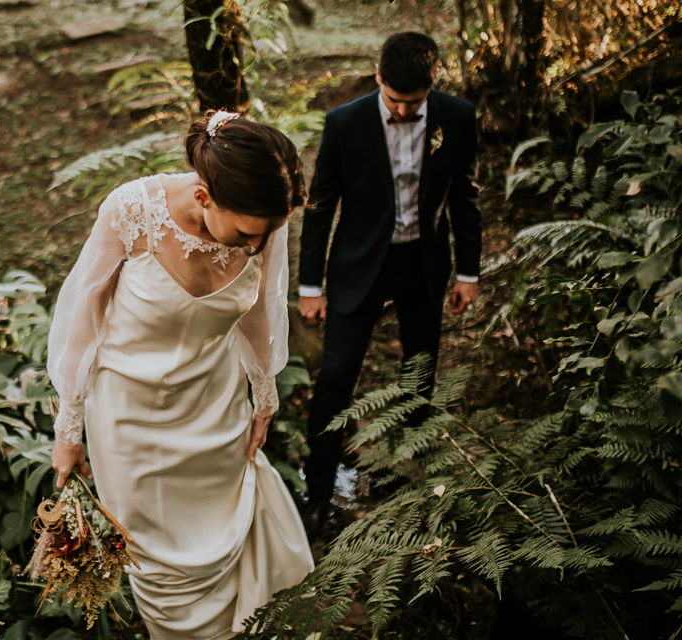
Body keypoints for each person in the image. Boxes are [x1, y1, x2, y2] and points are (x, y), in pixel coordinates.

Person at [47, 111, 315, 639]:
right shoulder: (130, 211)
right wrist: (68, 430)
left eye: (267, 235)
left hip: (215, 409)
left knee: (226, 543)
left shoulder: (262, 222)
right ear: (204, 197)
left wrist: (264, 395)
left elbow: (259, 312)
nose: (255, 247)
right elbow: (84, 322)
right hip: (129, 423)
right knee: (159, 569)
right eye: (245, 234)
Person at [298, 31, 483, 532]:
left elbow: (465, 196)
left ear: (433, 84)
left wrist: (469, 271)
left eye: (415, 103)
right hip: (360, 263)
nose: (403, 112)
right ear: (378, 78)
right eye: (394, 101)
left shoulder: (458, 117)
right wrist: (309, 285)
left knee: (419, 371)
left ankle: (410, 479)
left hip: (423, 261)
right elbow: (320, 207)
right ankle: (317, 493)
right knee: (336, 377)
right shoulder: (344, 123)